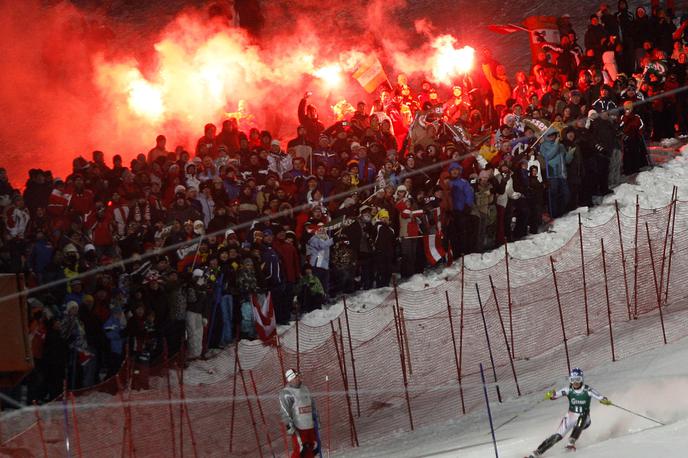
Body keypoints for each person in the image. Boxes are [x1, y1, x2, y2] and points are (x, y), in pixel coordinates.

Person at [527, 368, 612, 457]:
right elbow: (555, 395)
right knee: (557, 436)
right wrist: (550, 395)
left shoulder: (588, 390)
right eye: (572, 380)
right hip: (571, 416)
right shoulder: (568, 390)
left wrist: (605, 400)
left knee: (582, 416)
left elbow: (599, 396)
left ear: (581, 379)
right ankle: (538, 451)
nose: (575, 382)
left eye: (578, 379)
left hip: (585, 419)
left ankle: (571, 441)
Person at [279, 369, 319, 458]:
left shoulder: (305, 389)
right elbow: (285, 411)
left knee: (312, 448)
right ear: (291, 379)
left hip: (310, 425)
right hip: (298, 427)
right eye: (296, 376)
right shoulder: (286, 393)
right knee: (301, 450)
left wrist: (316, 419)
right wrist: (289, 426)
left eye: (299, 376)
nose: (299, 378)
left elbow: (312, 405)